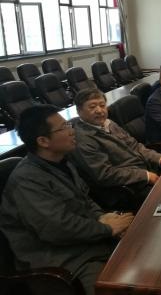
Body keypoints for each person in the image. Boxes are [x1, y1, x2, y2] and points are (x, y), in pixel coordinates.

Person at [0, 105, 134, 295]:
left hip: (86, 241)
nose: (72, 131)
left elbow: (85, 198)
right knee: (118, 286)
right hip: (62, 259)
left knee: (140, 250)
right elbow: (57, 229)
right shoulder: (26, 180)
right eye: (64, 127)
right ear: (43, 141)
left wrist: (103, 217)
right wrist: (107, 229)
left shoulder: (62, 161)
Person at [71, 88, 161, 209]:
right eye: (92, 107)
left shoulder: (109, 123)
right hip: (129, 189)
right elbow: (105, 174)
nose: (99, 110)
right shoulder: (82, 140)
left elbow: (134, 145)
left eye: (102, 105)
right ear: (79, 111)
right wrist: (145, 176)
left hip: (146, 169)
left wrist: (159, 158)